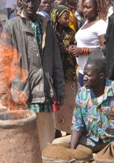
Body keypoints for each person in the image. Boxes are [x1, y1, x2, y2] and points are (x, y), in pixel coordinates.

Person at [0, 0, 64, 152]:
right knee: (23, 146)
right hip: (22, 96)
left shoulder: (47, 26)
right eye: (27, 0)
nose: (31, 4)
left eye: (35, 0)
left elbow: (56, 60)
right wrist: (2, 92)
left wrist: (59, 88)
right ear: (21, 2)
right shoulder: (11, 26)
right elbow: (2, 62)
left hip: (44, 95)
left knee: (46, 145)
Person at [69, 0, 107, 87]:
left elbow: (105, 48)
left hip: (93, 76)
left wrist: (83, 51)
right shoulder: (86, 22)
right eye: (84, 7)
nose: (85, 10)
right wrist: (74, 47)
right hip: (82, 72)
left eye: (88, 7)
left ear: (97, 8)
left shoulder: (100, 25)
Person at [51, 5, 77, 134]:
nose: (68, 21)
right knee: (56, 103)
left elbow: (75, 47)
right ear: (57, 17)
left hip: (69, 73)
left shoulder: (71, 33)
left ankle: (69, 131)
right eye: (65, 18)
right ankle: (56, 131)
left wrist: (70, 49)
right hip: (55, 73)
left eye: (69, 19)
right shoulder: (50, 32)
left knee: (70, 104)